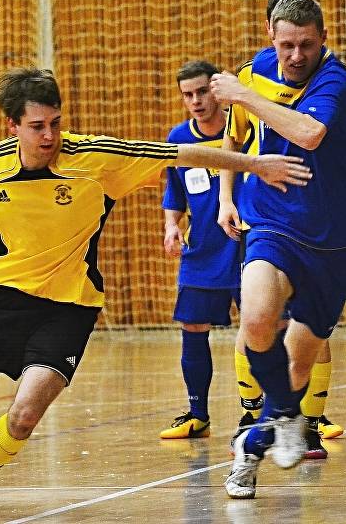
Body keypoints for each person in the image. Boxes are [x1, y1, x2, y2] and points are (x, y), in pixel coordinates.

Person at [0, 66, 312, 519]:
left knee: (24, 416)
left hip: (70, 305)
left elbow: (181, 153)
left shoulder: (94, 156)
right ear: (13, 126)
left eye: (56, 123)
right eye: (38, 127)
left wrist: (256, 164)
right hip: (6, 299)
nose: (50, 135)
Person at [212, 0, 346, 499]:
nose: (295, 56)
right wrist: (225, 196)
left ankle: (256, 440)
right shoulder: (256, 70)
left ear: (322, 40)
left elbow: (308, 134)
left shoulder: (335, 80)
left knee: (299, 361)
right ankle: (278, 421)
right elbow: (234, 140)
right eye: (286, 45)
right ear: (270, 36)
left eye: (306, 45)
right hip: (272, 221)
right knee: (257, 317)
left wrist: (243, 96)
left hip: (333, 240)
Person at [158, 60, 244, 439]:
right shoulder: (178, 138)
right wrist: (171, 225)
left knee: (266, 329)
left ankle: (270, 413)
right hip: (202, 251)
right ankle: (198, 414)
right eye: (187, 95)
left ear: (217, 90)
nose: (195, 100)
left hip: (245, 246)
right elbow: (174, 192)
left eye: (202, 91)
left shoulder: (243, 130)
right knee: (192, 326)